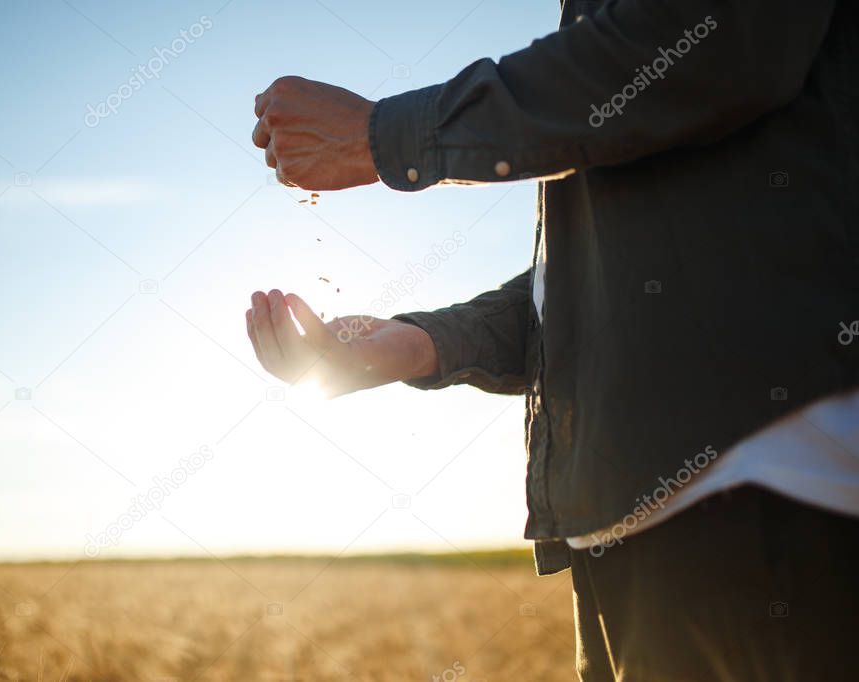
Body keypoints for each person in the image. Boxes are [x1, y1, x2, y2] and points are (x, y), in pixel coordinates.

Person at [246, 0, 859, 679]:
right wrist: (418, 344)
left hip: (770, 476)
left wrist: (384, 134)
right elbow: (594, 281)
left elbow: (710, 39)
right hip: (620, 521)